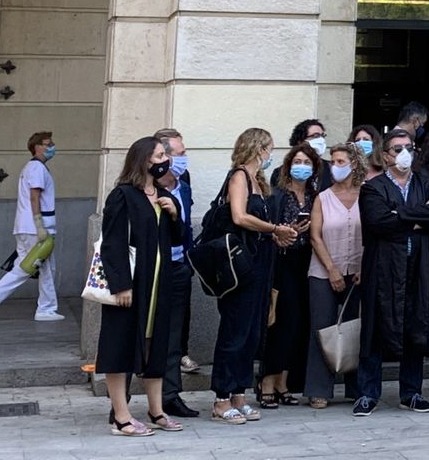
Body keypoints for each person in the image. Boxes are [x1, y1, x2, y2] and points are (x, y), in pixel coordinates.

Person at [96, 136, 184, 438]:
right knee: (120, 345)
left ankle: (156, 409)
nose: (165, 160)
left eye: (166, 155)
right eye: (160, 155)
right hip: (132, 285)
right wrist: (121, 284)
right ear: (145, 159)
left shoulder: (162, 193)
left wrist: (173, 213)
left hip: (159, 283)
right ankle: (120, 416)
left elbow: (179, 237)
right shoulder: (123, 195)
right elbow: (112, 242)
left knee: (154, 345)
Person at [210, 128, 297, 425]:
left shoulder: (260, 182)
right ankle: (222, 398)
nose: (271, 154)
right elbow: (239, 217)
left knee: (252, 333)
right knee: (234, 331)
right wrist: (274, 229)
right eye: (269, 148)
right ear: (259, 149)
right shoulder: (239, 177)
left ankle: (239, 394)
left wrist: (278, 235)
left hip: (260, 263)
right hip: (241, 267)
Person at [355, 129, 429, 416]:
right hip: (383, 266)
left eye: (408, 147)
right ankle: (368, 393)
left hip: (417, 264)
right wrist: (416, 217)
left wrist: (400, 215)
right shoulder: (372, 187)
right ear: (385, 155)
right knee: (374, 326)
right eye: (397, 148)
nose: (404, 153)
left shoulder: (425, 181)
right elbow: (377, 221)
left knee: (415, 324)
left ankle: (412, 392)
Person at [259, 143, 319, 407]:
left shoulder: (316, 195)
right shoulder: (278, 195)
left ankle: (284, 382)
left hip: (308, 263)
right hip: (283, 264)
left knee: (298, 325)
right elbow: (270, 231)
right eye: (298, 161)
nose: (302, 167)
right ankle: (267, 384)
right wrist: (287, 231)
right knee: (280, 324)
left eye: (307, 163)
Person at [0, 130, 61, 323]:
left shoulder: (32, 168)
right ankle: (45, 308)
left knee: (26, 266)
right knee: (42, 268)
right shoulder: (37, 169)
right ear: (37, 147)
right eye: (48, 144)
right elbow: (35, 196)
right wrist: (40, 224)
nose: (51, 147)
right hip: (35, 228)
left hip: (27, 226)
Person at [306, 143, 364, 409]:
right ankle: (319, 388)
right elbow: (315, 236)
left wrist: (364, 267)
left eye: (340, 161)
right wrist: (331, 269)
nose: (335, 166)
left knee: (354, 329)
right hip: (323, 271)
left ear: (354, 164)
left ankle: (356, 386)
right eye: (333, 162)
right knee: (323, 328)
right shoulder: (323, 197)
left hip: (357, 273)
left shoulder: (367, 194)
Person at [151, 128, 199, 417]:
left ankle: (170, 396)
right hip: (153, 269)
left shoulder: (185, 182)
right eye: (180, 154)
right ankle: (123, 402)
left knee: (173, 338)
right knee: (144, 335)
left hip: (180, 266)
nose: (184, 159)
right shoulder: (146, 187)